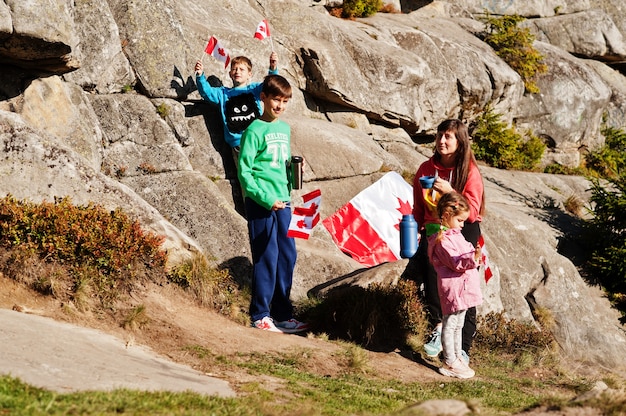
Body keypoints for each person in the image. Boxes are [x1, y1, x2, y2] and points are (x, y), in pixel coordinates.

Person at [237, 74, 309, 334]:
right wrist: (266, 199)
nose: (279, 105)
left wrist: (294, 180)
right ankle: (260, 314)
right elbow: (244, 172)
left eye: (284, 101)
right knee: (266, 256)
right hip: (262, 203)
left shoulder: (284, 129)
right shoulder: (253, 130)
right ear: (263, 98)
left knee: (287, 256)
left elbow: (280, 165)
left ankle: (281, 313)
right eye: (275, 99)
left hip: (285, 201)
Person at [412, 118, 485, 361]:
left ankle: (463, 347)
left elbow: (473, 212)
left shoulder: (470, 171)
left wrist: (450, 192)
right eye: (440, 135)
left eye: (448, 137)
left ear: (460, 142)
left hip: (464, 230)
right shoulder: (425, 168)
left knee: (465, 286)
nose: (442, 141)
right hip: (435, 230)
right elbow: (418, 206)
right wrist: (417, 229)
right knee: (436, 283)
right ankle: (438, 330)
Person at [428, 191, 483, 379]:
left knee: (458, 324)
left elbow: (467, 253)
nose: (462, 225)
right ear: (446, 216)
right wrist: (471, 258)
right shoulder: (441, 240)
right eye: (460, 221)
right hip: (453, 289)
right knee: (449, 324)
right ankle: (449, 361)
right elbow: (455, 261)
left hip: (463, 289)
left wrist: (477, 256)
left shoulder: (456, 235)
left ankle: (458, 356)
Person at [194, 52, 278, 163]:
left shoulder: (254, 89)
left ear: (249, 74)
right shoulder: (223, 93)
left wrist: (273, 68)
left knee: (265, 171)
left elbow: (270, 85)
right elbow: (206, 92)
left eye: (242, 69)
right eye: (234, 69)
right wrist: (200, 76)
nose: (237, 71)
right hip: (239, 144)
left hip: (259, 138)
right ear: (230, 74)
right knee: (245, 174)